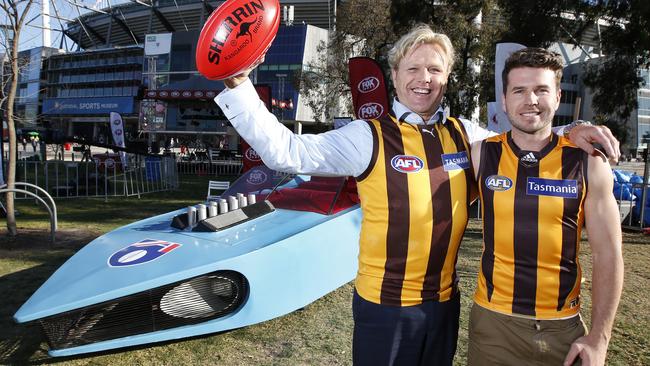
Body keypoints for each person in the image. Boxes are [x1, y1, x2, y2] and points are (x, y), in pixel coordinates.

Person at [214, 24, 619, 366]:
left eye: (434, 69)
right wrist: (238, 84)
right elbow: (288, 151)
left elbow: (527, 135)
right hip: (385, 307)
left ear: (446, 78)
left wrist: (574, 129)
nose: (423, 79)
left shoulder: (466, 135)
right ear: (394, 75)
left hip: (445, 306)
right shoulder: (367, 136)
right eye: (413, 68)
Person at [468, 48, 624, 366]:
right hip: (492, 326)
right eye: (519, 90)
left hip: (562, 330)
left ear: (557, 95)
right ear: (504, 97)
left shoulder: (588, 162)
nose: (531, 101)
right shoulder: (479, 154)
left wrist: (599, 337)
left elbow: (607, 254)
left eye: (541, 89)